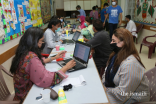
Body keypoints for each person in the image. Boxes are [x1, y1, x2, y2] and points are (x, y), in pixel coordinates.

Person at [10, 27, 76, 102]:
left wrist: (55, 57)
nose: (41, 44)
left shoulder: (24, 52)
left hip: (20, 93)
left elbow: (38, 61)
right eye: (41, 41)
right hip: (26, 97)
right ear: (34, 42)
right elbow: (46, 80)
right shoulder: (31, 58)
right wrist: (66, 67)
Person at [102, 28, 150, 104]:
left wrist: (105, 90)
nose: (111, 43)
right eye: (112, 40)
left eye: (114, 41)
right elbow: (106, 72)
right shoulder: (115, 55)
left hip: (133, 99)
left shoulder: (130, 64)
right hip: (117, 92)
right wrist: (103, 85)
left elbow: (122, 95)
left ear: (125, 43)